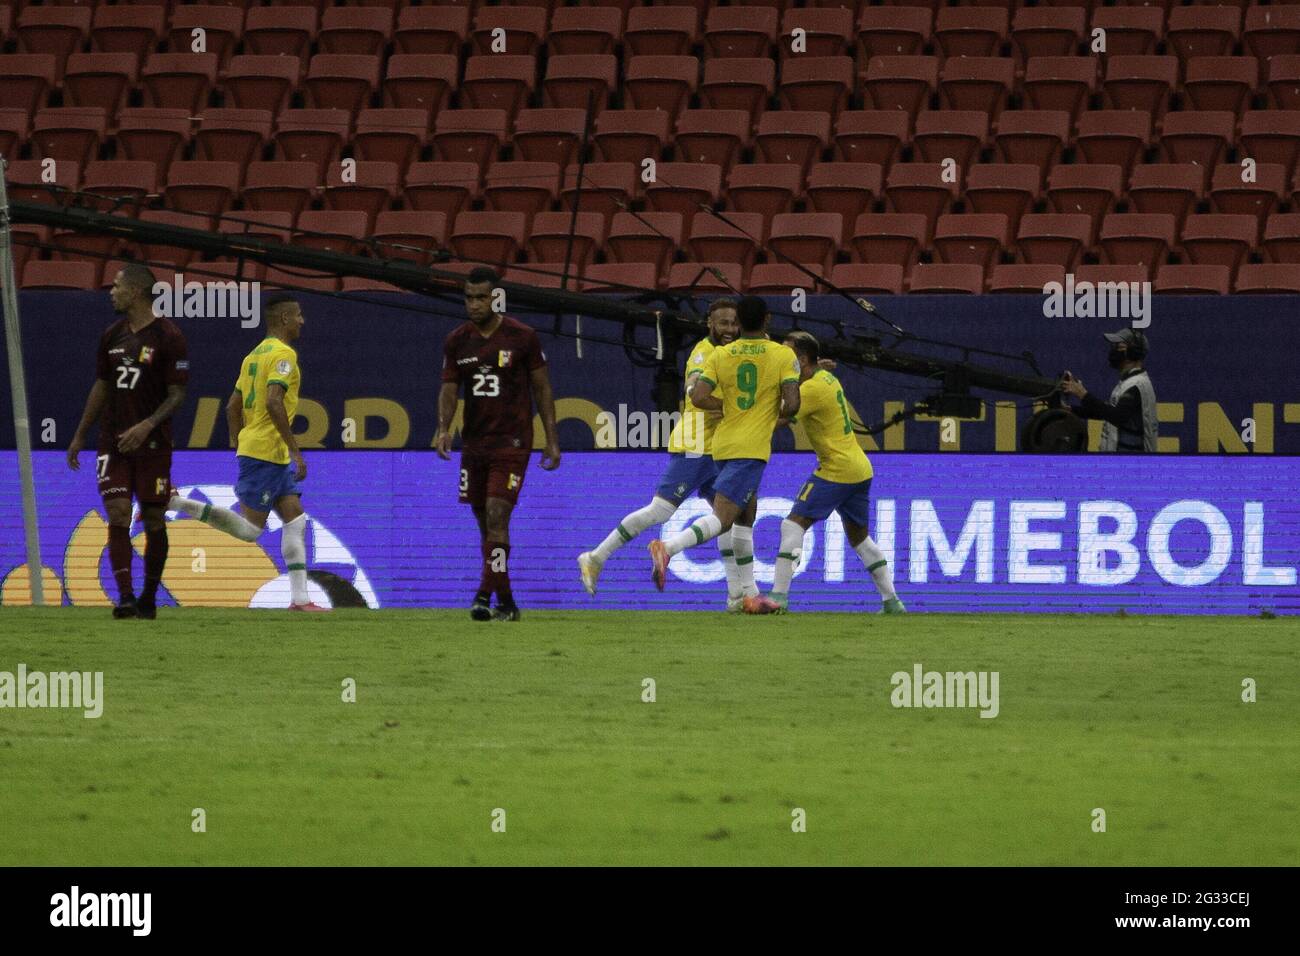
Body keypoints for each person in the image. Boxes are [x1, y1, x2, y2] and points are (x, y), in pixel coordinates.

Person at [579, 298, 763, 610]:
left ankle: (737, 596)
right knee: (660, 512)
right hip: (695, 445)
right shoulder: (705, 352)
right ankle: (595, 557)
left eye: (734, 323)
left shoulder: (733, 352)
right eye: (723, 323)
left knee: (734, 517)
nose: (729, 329)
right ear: (709, 324)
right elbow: (692, 385)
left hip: (719, 447)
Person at [168, 296, 325, 611]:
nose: (302, 321)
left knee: (294, 518)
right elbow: (273, 402)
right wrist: (296, 452)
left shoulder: (252, 356)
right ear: (283, 318)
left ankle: (300, 601)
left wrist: (236, 439)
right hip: (267, 452)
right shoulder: (284, 355)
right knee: (251, 530)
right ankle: (174, 502)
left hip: (264, 451)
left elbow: (232, 406)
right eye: (298, 315)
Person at [648, 296, 799, 612]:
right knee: (724, 519)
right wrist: (771, 411)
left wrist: (729, 407)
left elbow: (698, 397)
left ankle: (744, 596)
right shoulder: (783, 355)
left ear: (740, 321)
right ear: (768, 320)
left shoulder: (721, 354)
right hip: (751, 448)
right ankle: (669, 548)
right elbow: (793, 404)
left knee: (743, 520)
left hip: (722, 446)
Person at [435, 267, 561, 621]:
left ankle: (482, 595)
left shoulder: (522, 337)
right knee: (486, 525)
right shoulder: (457, 340)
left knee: (496, 514)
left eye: (481, 298)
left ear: (495, 298)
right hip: (474, 444)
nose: (474, 304)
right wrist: (443, 429)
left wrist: (552, 440)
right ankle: (505, 600)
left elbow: (542, 388)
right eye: (469, 298)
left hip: (513, 442)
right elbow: (448, 389)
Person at [66, 264, 189, 619]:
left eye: (117, 286)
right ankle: (125, 597)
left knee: (153, 517)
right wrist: (79, 434)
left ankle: (150, 596)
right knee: (118, 513)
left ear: (136, 292)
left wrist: (147, 425)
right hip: (113, 442)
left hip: (153, 444)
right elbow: (102, 385)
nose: (111, 291)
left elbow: (178, 393)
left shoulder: (169, 336)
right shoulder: (112, 335)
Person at [762, 331, 904, 614]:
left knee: (792, 525)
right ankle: (892, 602)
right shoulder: (825, 377)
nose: (781, 360)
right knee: (860, 539)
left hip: (836, 469)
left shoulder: (811, 390)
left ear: (801, 360)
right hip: (859, 468)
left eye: (786, 355)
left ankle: (778, 597)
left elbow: (775, 418)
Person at [1060, 329, 1156, 453]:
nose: (1114, 350)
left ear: (1133, 352)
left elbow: (1117, 416)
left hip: (1132, 466)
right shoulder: (1129, 382)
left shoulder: (1137, 385)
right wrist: (1071, 410)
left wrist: (1082, 394)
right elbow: (1105, 412)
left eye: (1119, 346)